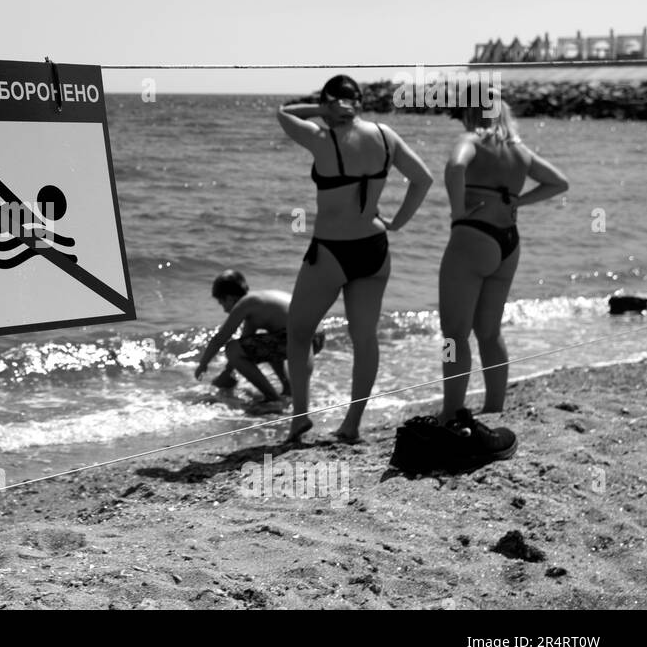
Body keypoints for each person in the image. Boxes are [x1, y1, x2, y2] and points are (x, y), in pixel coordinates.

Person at [276, 75, 434, 442]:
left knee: (298, 334)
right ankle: (351, 425)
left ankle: (300, 417)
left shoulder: (321, 137)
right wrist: (397, 222)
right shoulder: (384, 136)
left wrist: (320, 108)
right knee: (364, 338)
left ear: (333, 103)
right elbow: (423, 179)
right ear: (360, 102)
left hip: (332, 251)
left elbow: (282, 114)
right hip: (375, 248)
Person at [436, 99, 568, 455]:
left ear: (471, 114)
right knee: (490, 331)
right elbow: (559, 182)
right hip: (508, 242)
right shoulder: (518, 149)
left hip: (472, 236)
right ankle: (495, 406)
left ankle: (451, 411)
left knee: (454, 335)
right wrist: (518, 204)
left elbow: (454, 167)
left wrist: (457, 208)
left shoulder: (472, 141)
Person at [193, 270, 324, 411]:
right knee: (263, 344)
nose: (224, 310)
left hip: (299, 337)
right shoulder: (257, 302)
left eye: (222, 303)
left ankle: (273, 399)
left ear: (229, 298)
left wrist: (203, 364)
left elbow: (220, 339)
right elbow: (246, 346)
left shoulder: (245, 304)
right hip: (316, 336)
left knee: (231, 348)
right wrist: (228, 372)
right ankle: (288, 390)